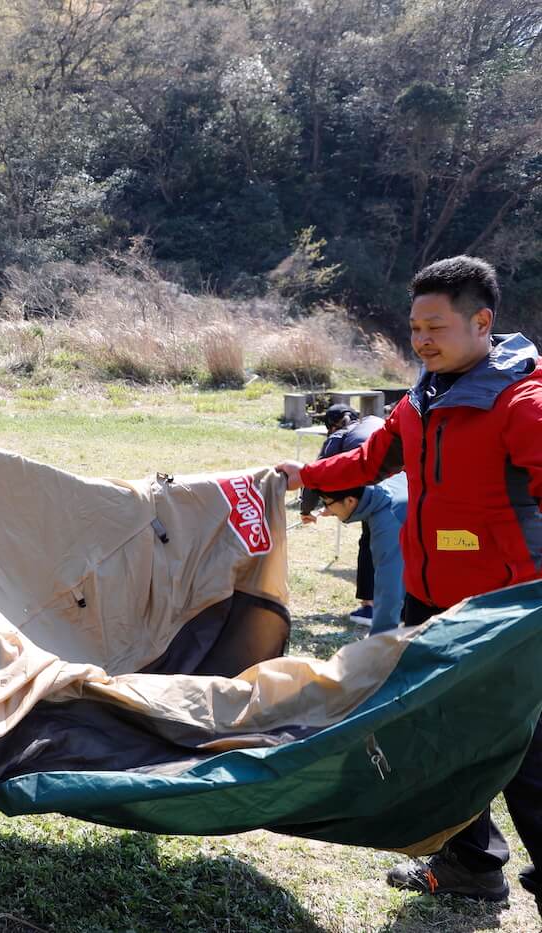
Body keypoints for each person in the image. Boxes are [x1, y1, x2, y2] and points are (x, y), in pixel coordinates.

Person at [276, 256, 541, 913]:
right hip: (431, 600)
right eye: (414, 326)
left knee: (527, 761)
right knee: (442, 738)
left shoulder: (523, 403)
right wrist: (305, 477)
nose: (421, 338)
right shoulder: (425, 396)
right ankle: (470, 866)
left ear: (482, 322)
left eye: (435, 326)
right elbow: (372, 457)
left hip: (506, 614)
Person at [299, 403, 394, 626]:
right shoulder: (373, 420)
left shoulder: (338, 437)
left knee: (369, 542)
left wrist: (306, 510)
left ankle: (370, 607)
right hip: (403, 482)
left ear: (330, 426)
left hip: (378, 489)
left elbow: (315, 476)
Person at [306, 473, 408, 636]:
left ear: (350, 501)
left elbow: (390, 589)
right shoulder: (380, 490)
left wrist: (378, 641)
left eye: (328, 503)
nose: (328, 509)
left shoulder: (387, 520)